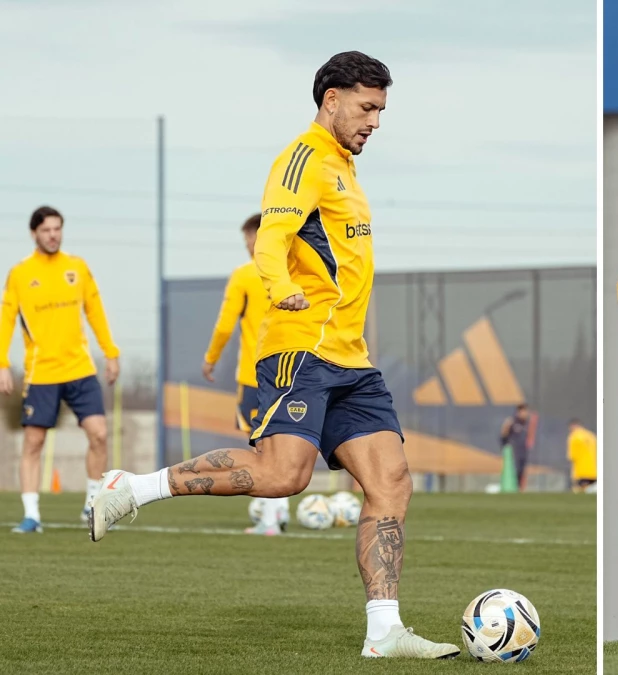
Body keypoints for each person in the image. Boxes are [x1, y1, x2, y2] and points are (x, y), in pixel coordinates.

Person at [88, 51, 460, 660]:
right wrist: (281, 287)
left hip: (352, 359)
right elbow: (272, 238)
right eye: (367, 108)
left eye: (381, 111)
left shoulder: (345, 168)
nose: (375, 121)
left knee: (391, 482)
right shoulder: (303, 159)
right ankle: (134, 487)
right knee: (283, 475)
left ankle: (383, 632)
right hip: (301, 349)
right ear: (331, 99)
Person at [0, 206, 120, 533]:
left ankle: (92, 505)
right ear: (34, 234)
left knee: (99, 434)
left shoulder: (77, 267)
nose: (53, 235)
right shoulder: (21, 273)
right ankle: (31, 515)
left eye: (57, 229)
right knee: (33, 444)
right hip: (42, 374)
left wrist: (111, 353)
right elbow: (6, 320)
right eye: (46, 230)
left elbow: (95, 310)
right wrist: (2, 364)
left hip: (80, 369)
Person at [201, 213, 289, 536]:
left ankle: (270, 520)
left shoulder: (244, 275)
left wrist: (210, 359)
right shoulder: (292, 271)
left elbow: (225, 325)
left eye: (249, 239)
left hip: (257, 375)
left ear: (260, 237)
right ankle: (278, 509)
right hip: (293, 372)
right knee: (286, 442)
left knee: (262, 448)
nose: (248, 246)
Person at [500, 403, 532, 491]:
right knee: (515, 469)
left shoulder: (526, 423)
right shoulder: (512, 421)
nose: (526, 413)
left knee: (522, 470)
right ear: (519, 412)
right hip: (514, 450)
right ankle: (512, 487)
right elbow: (504, 434)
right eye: (524, 411)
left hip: (523, 449)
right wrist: (506, 446)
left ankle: (520, 489)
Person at [566, 418, 597, 493]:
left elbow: (572, 456)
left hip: (581, 471)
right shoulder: (591, 435)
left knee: (578, 492)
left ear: (572, 426)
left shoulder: (574, 437)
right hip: (594, 470)